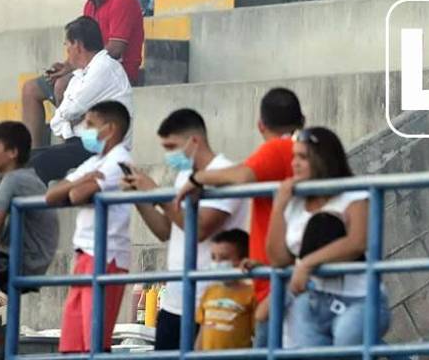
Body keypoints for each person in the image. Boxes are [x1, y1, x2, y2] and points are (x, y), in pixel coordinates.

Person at [178, 87, 304, 347]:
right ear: (302, 121)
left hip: (277, 283)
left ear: (260, 125)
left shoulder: (280, 148)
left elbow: (243, 175)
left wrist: (197, 177)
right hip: (278, 278)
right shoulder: (304, 154)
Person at [121, 109, 249, 351]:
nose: (169, 155)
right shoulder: (184, 177)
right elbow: (165, 231)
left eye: (172, 147)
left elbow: (199, 229)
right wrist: (139, 196)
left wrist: (156, 194)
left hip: (212, 303)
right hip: (173, 303)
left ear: (194, 141)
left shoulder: (224, 173)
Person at [266, 127, 390, 346]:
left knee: (345, 342)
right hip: (314, 300)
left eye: (303, 157)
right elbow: (278, 259)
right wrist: (279, 206)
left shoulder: (353, 194)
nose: (294, 163)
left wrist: (307, 264)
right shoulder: (295, 201)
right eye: (293, 156)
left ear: (323, 159)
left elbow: (357, 242)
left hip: (360, 299)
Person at [20, 0, 143, 151]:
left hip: (115, 73)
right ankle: (32, 154)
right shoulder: (91, 4)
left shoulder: (123, 0)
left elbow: (116, 48)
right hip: (87, 71)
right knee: (31, 89)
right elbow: (83, 46)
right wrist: (66, 65)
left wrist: (70, 70)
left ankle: (68, 148)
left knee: (62, 84)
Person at [45, 100, 133, 354]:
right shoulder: (93, 163)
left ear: (110, 129)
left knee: (94, 342)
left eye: (91, 125)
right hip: (83, 255)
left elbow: (74, 196)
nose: (84, 129)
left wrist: (76, 188)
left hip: (106, 255)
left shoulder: (119, 161)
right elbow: (51, 196)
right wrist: (83, 180)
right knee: (72, 345)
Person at [29, 16, 133, 183]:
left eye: (67, 45)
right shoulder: (79, 75)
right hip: (80, 143)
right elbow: (59, 120)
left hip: (104, 146)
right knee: (25, 159)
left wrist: (73, 118)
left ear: (77, 45)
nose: (67, 51)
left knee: (41, 162)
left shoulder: (104, 67)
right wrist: (72, 120)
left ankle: (35, 208)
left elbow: (71, 109)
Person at [0, 122, 59, 289]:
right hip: (29, 260)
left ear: (12, 152)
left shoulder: (13, 179)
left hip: (24, 263)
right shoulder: (21, 176)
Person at [196, 229, 257, 351]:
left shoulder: (251, 294)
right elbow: (202, 333)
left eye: (223, 258)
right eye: (213, 257)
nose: (216, 263)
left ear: (243, 260)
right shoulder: (210, 291)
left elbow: (258, 335)